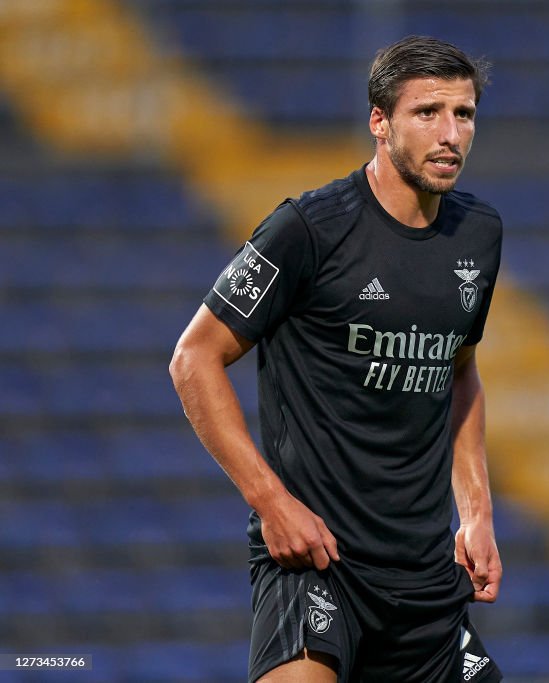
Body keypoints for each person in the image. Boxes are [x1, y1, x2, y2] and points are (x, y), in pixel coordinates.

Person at [169, 35, 503, 683]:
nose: (450, 133)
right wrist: (270, 500)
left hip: (425, 578)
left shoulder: (479, 234)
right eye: (427, 112)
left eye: (463, 115)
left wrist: (479, 511)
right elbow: (194, 358)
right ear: (379, 123)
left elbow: (458, 372)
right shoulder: (309, 230)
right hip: (318, 566)